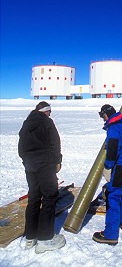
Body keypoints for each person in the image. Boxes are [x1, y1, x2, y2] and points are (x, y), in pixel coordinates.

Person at [18, 101, 66, 254]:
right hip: (44, 163)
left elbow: (21, 147)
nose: (50, 114)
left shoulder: (26, 124)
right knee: (50, 196)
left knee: (33, 197)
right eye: (49, 111)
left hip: (29, 164)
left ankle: (30, 237)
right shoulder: (47, 122)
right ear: (45, 111)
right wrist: (57, 160)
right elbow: (55, 142)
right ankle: (45, 239)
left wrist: (27, 160)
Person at [93, 104, 122, 246]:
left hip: (120, 165)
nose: (102, 119)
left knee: (113, 196)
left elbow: (112, 148)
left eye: (102, 116)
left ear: (106, 114)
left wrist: (108, 165)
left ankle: (110, 235)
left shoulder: (114, 127)